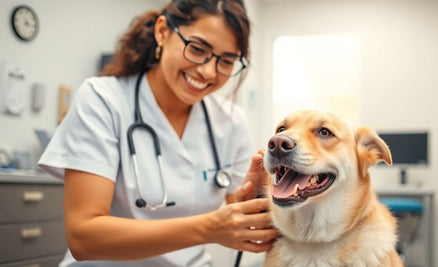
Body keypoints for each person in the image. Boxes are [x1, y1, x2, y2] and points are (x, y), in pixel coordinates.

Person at [38, 0, 278, 266]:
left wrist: (258, 201)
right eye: (197, 49)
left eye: (226, 61)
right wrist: (208, 228)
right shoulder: (102, 100)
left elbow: (250, 224)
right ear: (163, 31)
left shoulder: (230, 121)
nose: (208, 71)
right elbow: (84, 237)